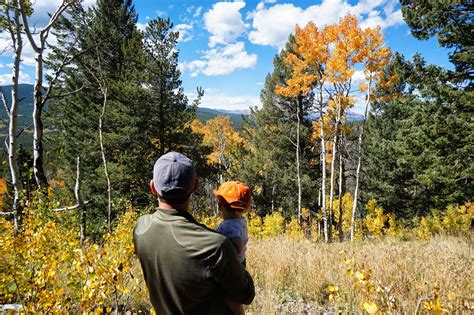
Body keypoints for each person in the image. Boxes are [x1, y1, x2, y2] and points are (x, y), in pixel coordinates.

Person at [133, 152, 255, 314]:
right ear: (195, 186)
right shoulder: (215, 246)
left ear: (153, 187)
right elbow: (246, 294)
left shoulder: (141, 229)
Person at [215, 181, 251, 315]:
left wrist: (230, 254)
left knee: (231, 298)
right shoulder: (239, 221)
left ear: (220, 206)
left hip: (232, 266)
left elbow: (238, 245)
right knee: (233, 296)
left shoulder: (229, 225)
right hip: (239, 263)